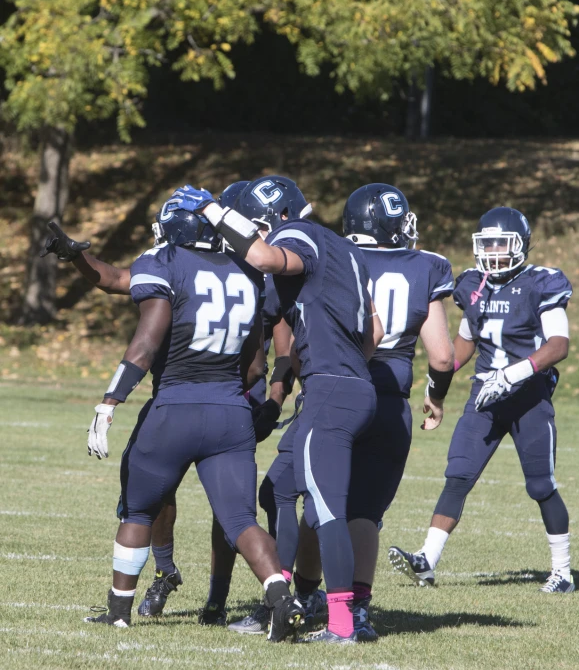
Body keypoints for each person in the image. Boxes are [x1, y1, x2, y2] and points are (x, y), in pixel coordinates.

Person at [41, 181, 295, 624]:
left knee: (138, 509)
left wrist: (108, 402)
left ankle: (119, 612)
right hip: (230, 411)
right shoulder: (247, 271)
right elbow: (256, 363)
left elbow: (143, 346)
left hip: (174, 407)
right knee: (240, 519)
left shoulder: (165, 262)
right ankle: (279, 595)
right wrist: (75, 255)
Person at [172, 179, 383, 643]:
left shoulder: (299, 234)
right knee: (278, 489)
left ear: (276, 215)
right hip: (344, 387)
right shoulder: (344, 249)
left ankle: (344, 625)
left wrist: (211, 211)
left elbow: (266, 257)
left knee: (327, 508)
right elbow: (376, 332)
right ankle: (283, 604)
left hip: (331, 391)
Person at [389, 207, 574, 593]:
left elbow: (558, 345)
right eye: (486, 243)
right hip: (485, 396)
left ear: (521, 245)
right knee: (457, 475)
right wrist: (436, 386)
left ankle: (562, 572)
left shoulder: (542, 282)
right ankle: (426, 560)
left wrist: (515, 373)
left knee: (541, 485)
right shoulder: (474, 284)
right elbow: (464, 344)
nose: (492, 251)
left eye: (501, 244)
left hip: (528, 396)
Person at [342, 183, 455, 638]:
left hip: (339, 390)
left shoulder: (339, 258)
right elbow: (443, 357)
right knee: (365, 512)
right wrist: (437, 395)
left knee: (318, 501)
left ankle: (305, 592)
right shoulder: (425, 266)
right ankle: (360, 609)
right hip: (390, 399)